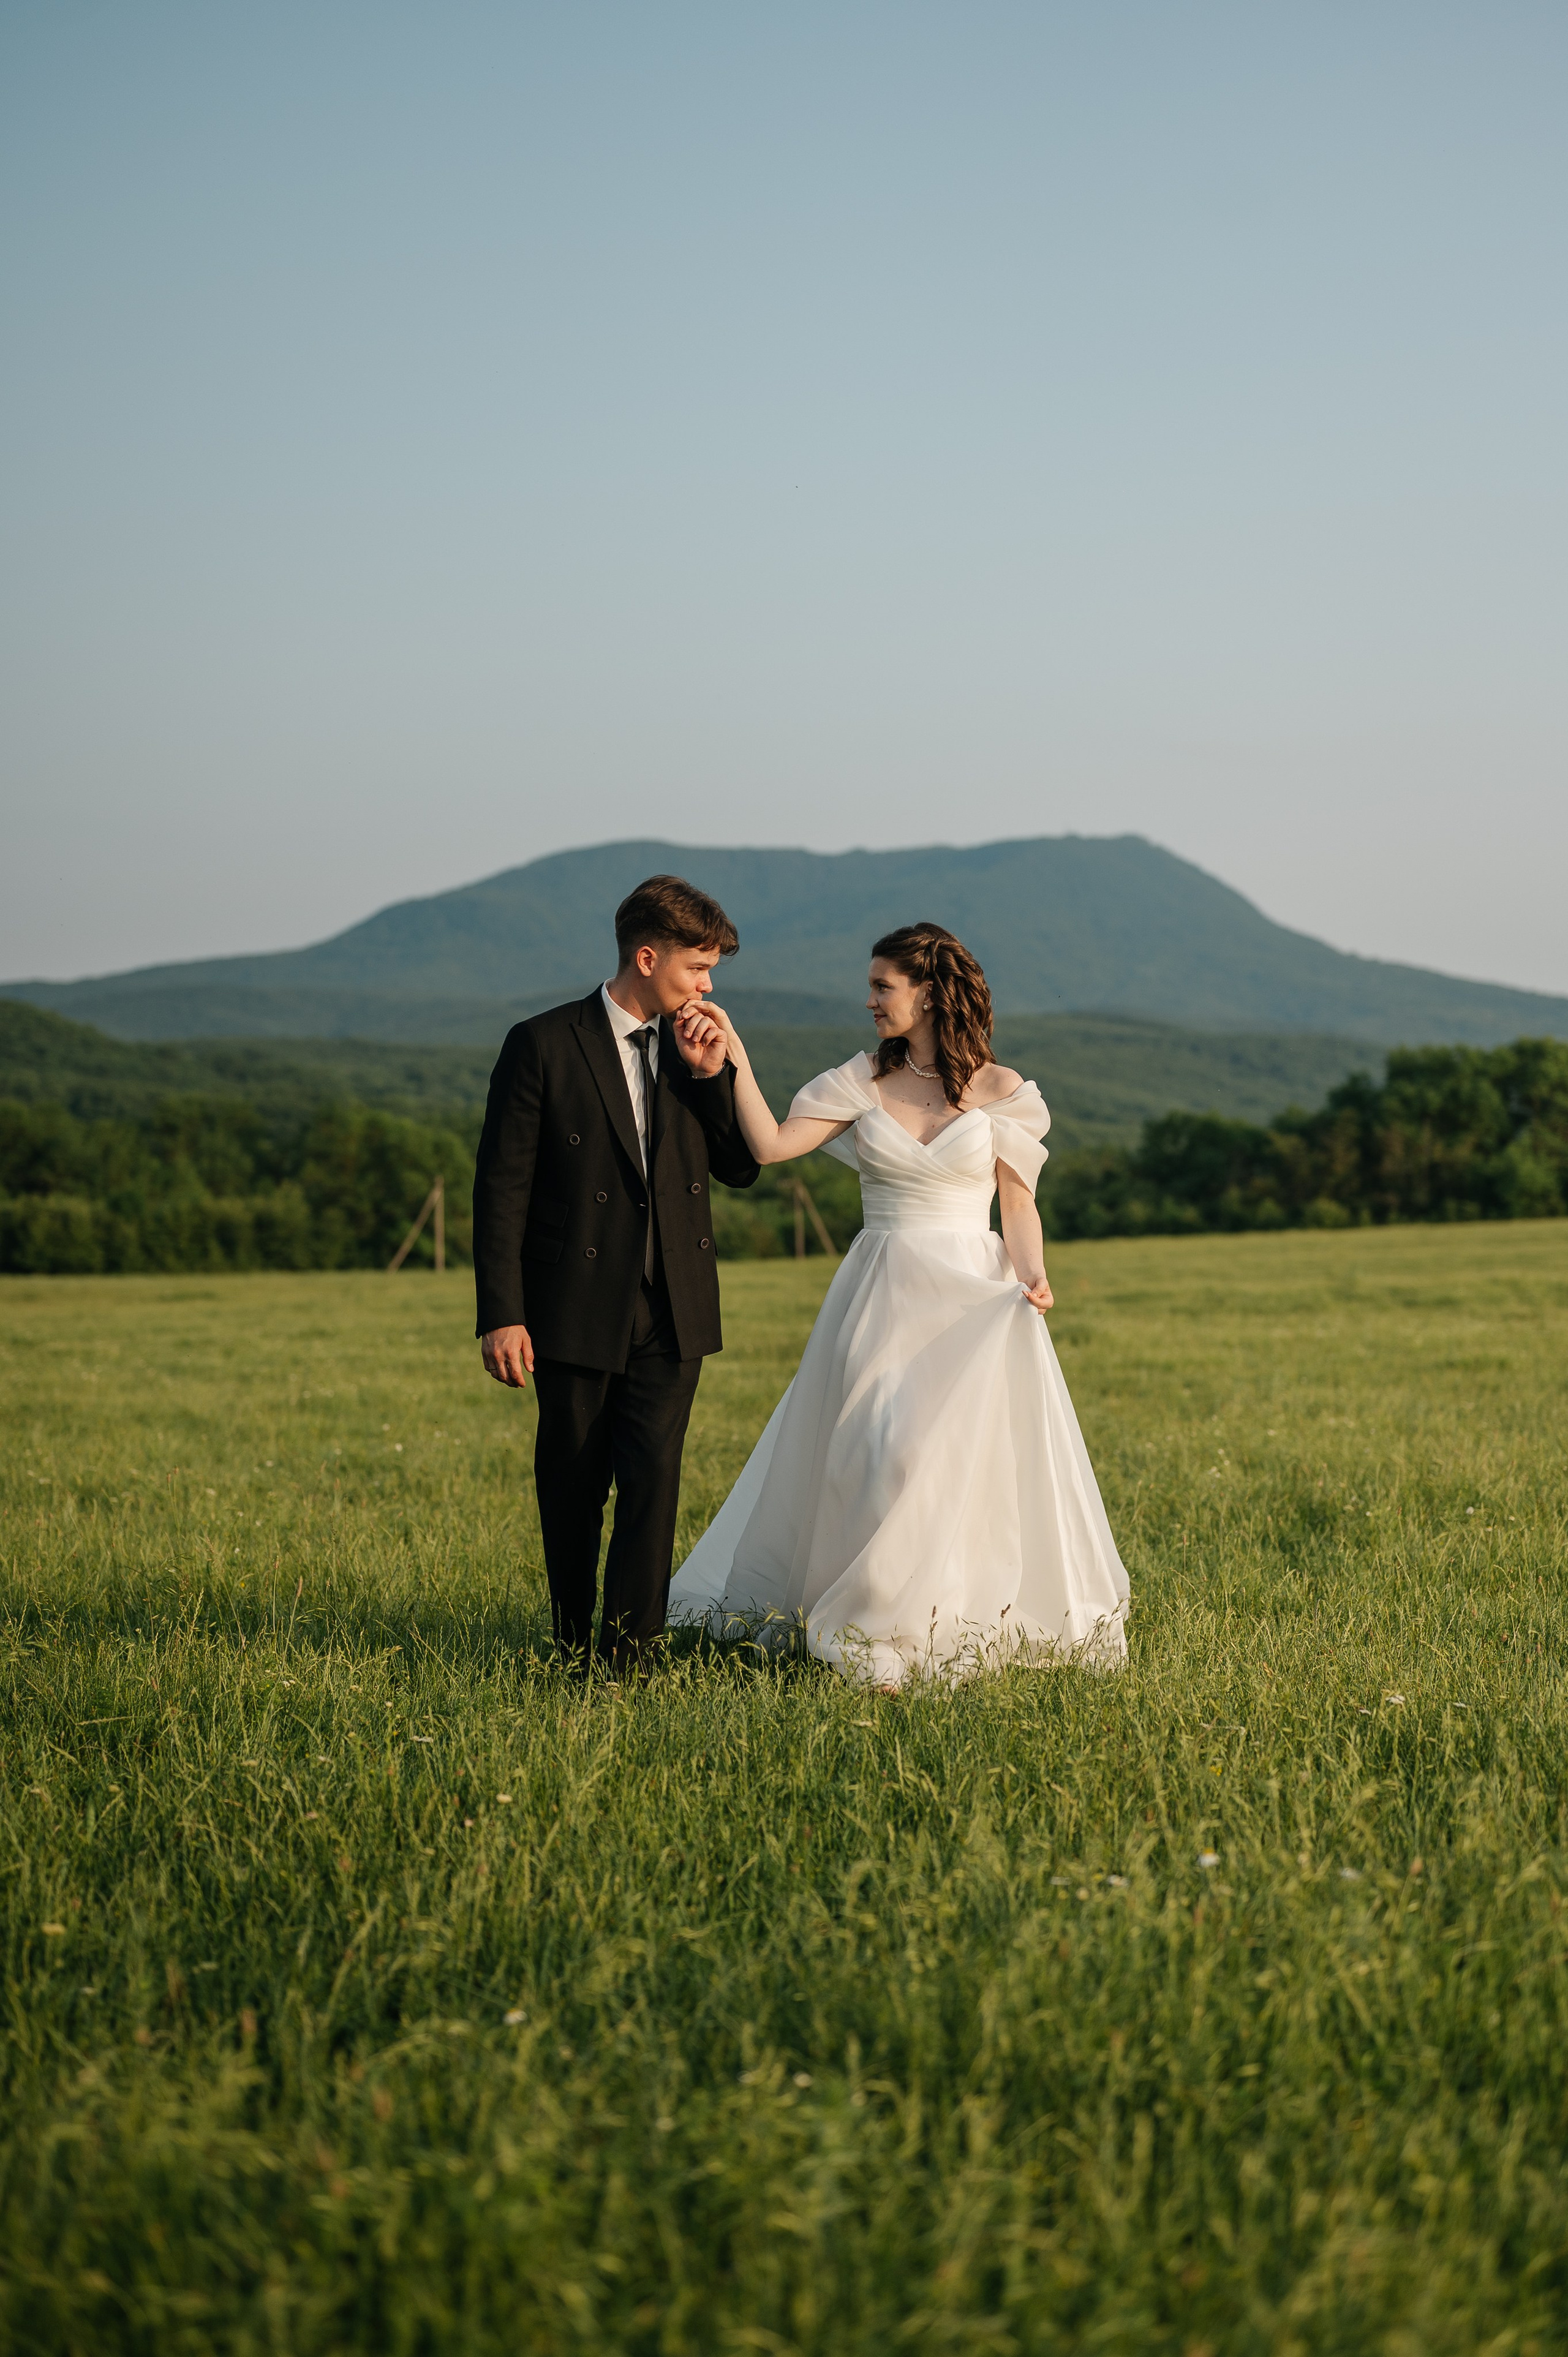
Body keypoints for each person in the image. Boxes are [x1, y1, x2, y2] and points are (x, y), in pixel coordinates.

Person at [668, 921, 1129, 1686]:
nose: (871, 1000)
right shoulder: (859, 1081)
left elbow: (1017, 1203)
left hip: (972, 1297)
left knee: (944, 1463)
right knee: (875, 1452)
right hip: (881, 1289)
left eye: (883, 986)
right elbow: (771, 1146)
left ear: (930, 991)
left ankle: (931, 1620)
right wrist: (736, 1059)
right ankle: (868, 1628)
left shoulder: (1001, 1091)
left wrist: (1033, 1273)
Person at [472, 875, 760, 1672]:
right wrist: (502, 1312)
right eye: (697, 968)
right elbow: (501, 1187)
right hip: (572, 1306)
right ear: (647, 955)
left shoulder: (697, 1046)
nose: (706, 987)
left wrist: (712, 1076)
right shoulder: (543, 1043)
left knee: (653, 1483)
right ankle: (569, 1644)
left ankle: (629, 1657)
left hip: (674, 1309)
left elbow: (741, 1168)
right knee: (571, 1485)